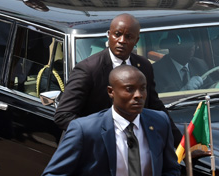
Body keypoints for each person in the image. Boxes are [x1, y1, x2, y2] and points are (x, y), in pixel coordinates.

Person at [54, 13, 182, 144]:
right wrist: (101, 135)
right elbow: (64, 115)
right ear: (109, 35)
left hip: (132, 148)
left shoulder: (143, 66)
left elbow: (155, 107)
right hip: (91, 148)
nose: (122, 40)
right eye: (117, 34)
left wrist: (182, 144)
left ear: (136, 41)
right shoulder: (88, 69)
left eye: (128, 36)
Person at [43, 66, 182, 176]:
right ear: (111, 92)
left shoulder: (160, 122)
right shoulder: (85, 130)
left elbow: (171, 169)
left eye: (142, 89)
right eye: (130, 89)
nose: (138, 95)